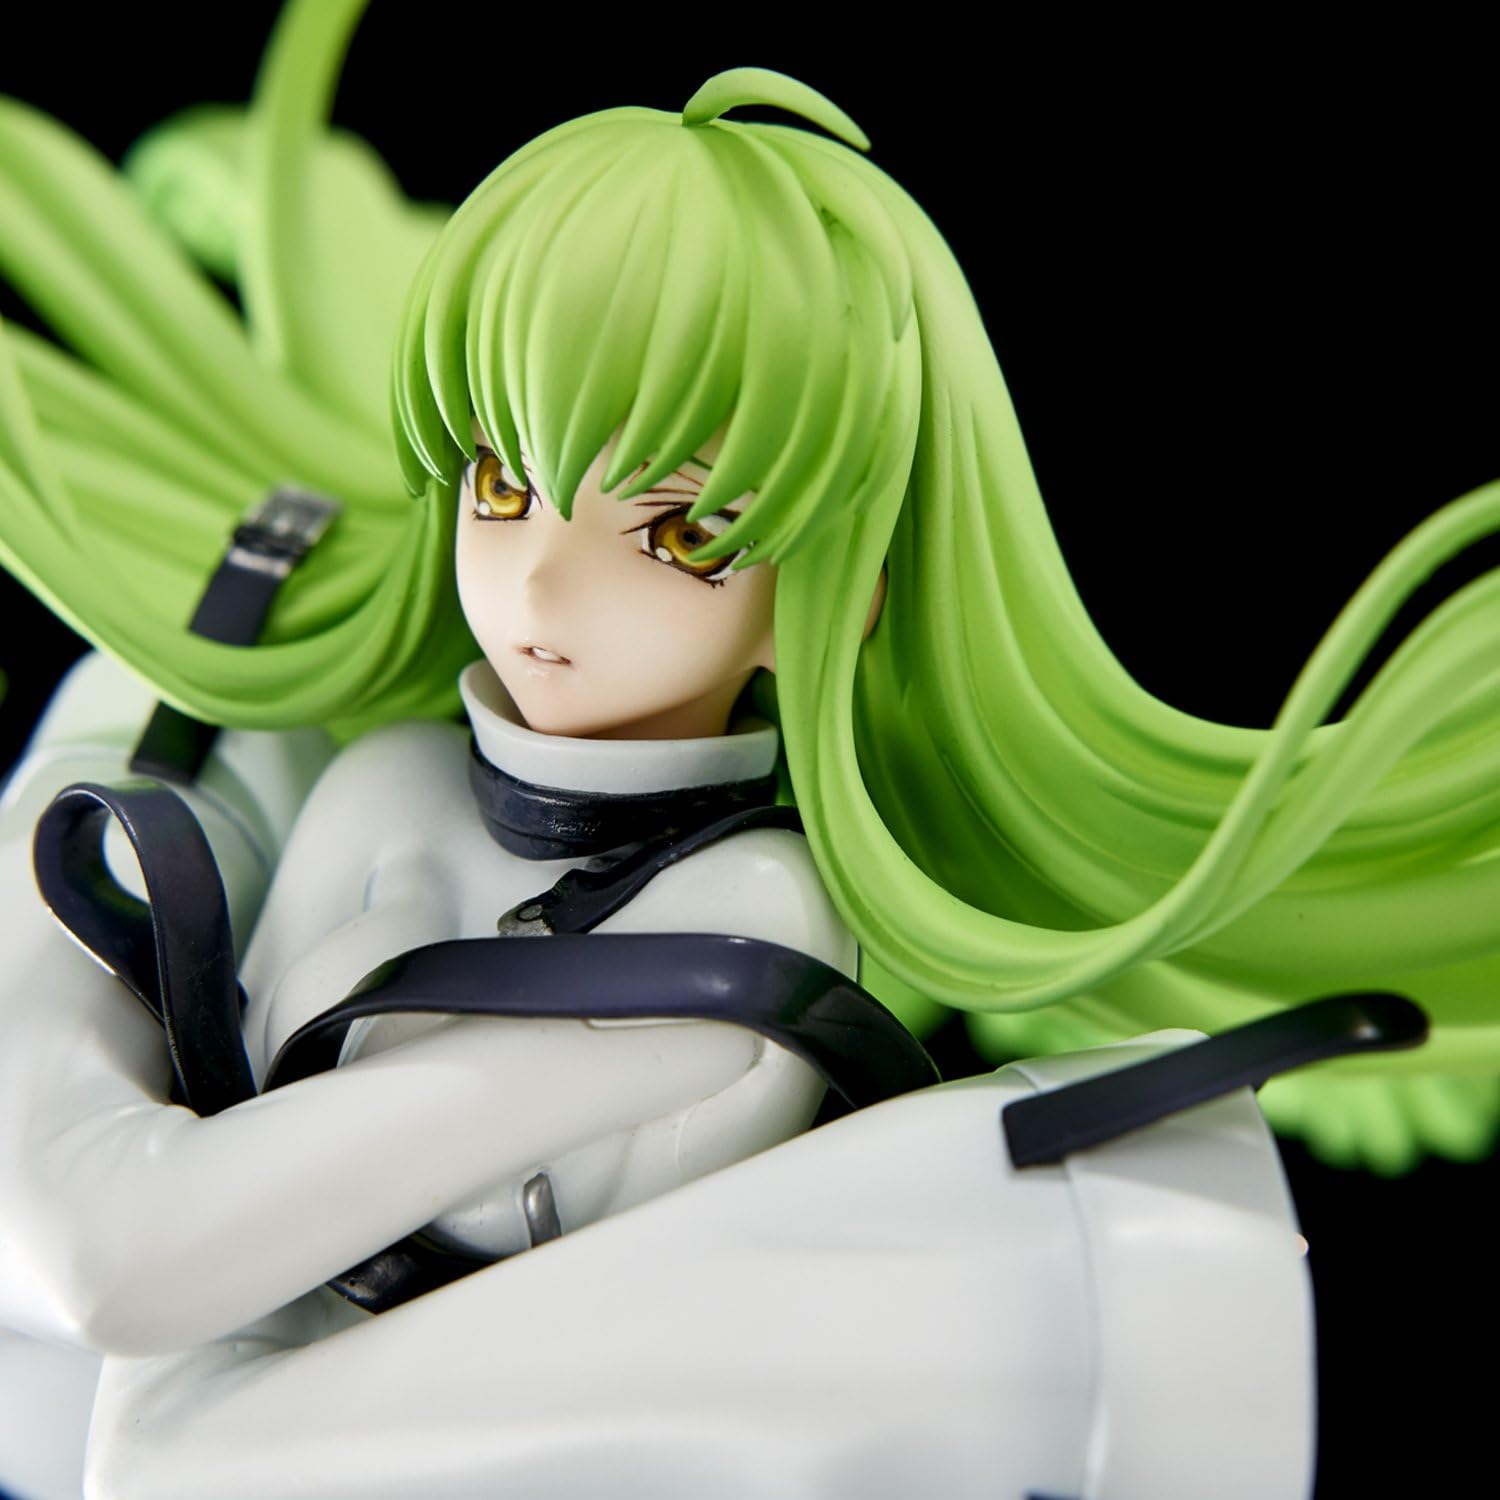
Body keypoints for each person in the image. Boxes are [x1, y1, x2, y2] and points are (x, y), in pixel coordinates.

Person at [0, 0, 1492, 1491]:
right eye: (504, 485)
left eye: (679, 534)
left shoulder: (744, 920)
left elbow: (129, 1272)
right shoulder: (384, 770)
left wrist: (65, 1058)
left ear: (831, 599)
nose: (541, 587)